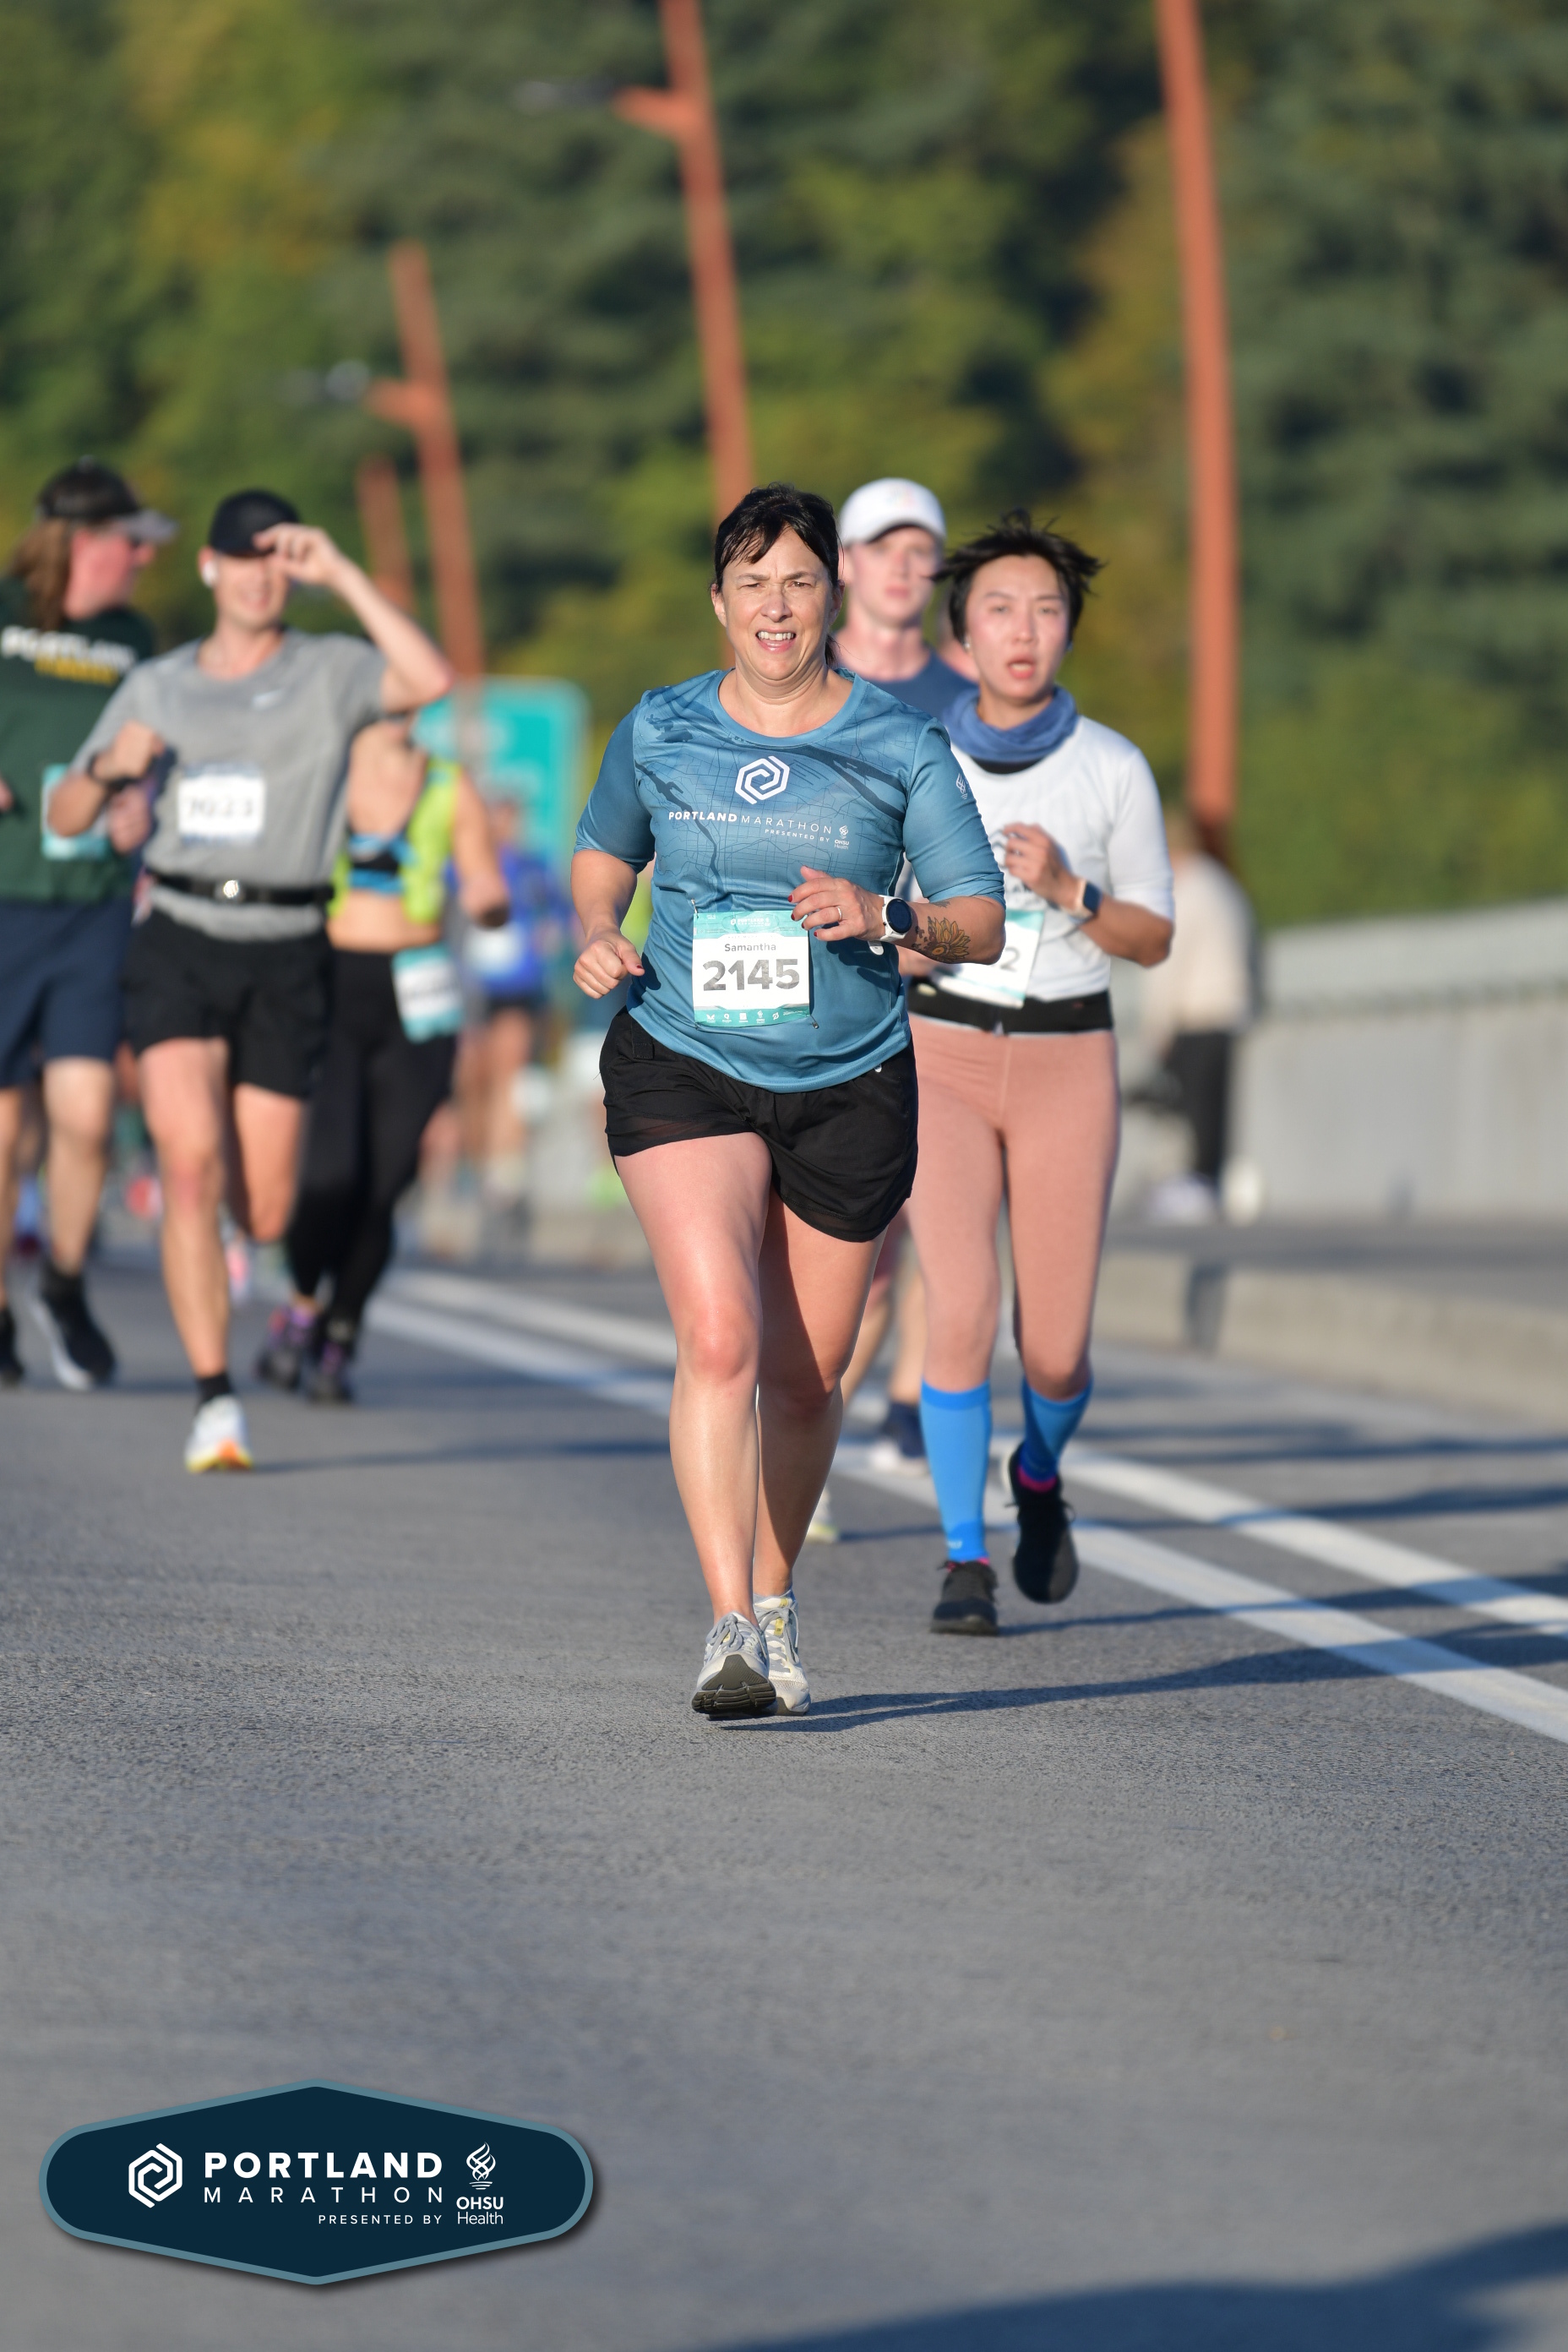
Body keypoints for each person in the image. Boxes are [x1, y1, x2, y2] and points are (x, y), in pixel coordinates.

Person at [571, 481, 1003, 1718]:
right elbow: (604, 852)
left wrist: (885, 913)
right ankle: (727, 1630)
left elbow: (980, 920)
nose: (776, 607)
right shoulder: (660, 727)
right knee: (720, 1337)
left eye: (799, 582)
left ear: (834, 597)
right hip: (683, 1057)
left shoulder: (899, 743)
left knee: (807, 1378)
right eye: (752, 583)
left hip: (848, 1078)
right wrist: (598, 926)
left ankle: (772, 1597)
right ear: (718, 602)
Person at [49, 489, 453, 1470]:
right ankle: (214, 1400)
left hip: (288, 945)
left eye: (278, 559)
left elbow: (428, 677)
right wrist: (106, 771)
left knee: (264, 1210)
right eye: (243, 558)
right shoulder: (159, 683)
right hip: (180, 933)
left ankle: (236, 1250)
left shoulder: (332, 670)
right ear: (210, 568)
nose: (260, 576)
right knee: (188, 1165)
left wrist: (342, 573)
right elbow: (65, 815)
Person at [903, 511, 1173, 1636]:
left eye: (1046, 611)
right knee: (961, 1304)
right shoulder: (916, 755)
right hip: (941, 1052)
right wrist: (912, 937)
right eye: (999, 611)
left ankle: (1039, 1475)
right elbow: (882, 915)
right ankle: (962, 1557)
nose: (1023, 632)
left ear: (1068, 631)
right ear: (960, 635)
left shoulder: (1111, 767)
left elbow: (1154, 937)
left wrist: (1070, 892)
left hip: (1069, 1056)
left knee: (1055, 1351)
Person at [255, 716, 509, 1402]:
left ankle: (341, 1331)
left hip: (418, 996)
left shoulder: (448, 784)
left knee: (385, 1183)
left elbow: (485, 882)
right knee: (329, 1175)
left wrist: (489, 903)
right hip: (330, 986)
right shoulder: (322, 768)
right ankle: (301, 1304)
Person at [0, 458, 176, 1389]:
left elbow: (156, 747)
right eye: (129, 544)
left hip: (94, 902)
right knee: (4, 1127)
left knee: (86, 1112)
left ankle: (63, 1284)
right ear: (79, 541)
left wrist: (142, 799)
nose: (142, 561)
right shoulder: (4, 611)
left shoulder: (131, 637)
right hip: (4, 894)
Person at [455, 794, 573, 1211]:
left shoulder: (533, 868)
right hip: (470, 989)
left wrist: (552, 935)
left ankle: (503, 1167)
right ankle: (474, 1159)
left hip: (518, 987)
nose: (507, 827)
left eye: (512, 819)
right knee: (473, 1076)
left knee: (510, 1071)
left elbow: (561, 914)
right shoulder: (461, 866)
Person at [1141, 805, 1255, 1222]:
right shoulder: (1223, 884)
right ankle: (1209, 1186)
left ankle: (1191, 1192)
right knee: (1213, 1115)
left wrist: (1157, 1026)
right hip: (1228, 1013)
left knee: (1189, 1114)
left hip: (1196, 1017)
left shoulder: (1185, 891)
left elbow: (1167, 963)